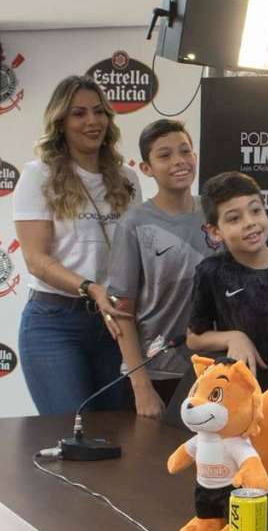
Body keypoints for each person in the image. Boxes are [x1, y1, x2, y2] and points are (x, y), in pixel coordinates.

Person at [12, 75, 140, 415]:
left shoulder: (128, 179)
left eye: (99, 112)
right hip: (55, 322)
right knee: (71, 435)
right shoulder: (39, 176)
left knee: (119, 434)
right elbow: (36, 260)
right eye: (79, 113)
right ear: (61, 121)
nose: (92, 121)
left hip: (115, 324)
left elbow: (134, 252)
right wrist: (91, 288)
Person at [186, 172, 268, 474]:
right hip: (245, 409)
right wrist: (233, 337)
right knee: (252, 481)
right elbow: (194, 337)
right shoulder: (211, 272)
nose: (250, 222)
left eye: (255, 210)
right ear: (215, 231)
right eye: (234, 218)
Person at [106, 119, 221, 419]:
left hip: (212, 370)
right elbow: (122, 312)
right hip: (158, 373)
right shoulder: (134, 224)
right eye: (165, 155)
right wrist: (141, 386)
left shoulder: (217, 211)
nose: (179, 161)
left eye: (185, 151)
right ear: (146, 168)